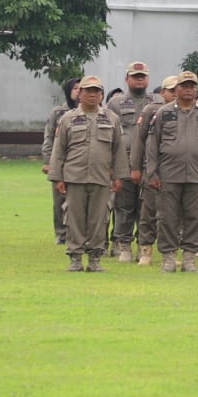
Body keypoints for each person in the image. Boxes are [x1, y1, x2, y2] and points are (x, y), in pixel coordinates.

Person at [49, 76, 126, 272]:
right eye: (87, 91)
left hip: (101, 178)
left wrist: (118, 176)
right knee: (74, 219)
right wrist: (58, 177)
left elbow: (118, 150)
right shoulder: (68, 119)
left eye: (96, 91)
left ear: (101, 95)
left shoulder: (111, 119)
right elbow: (59, 150)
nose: (92, 94)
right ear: (79, 94)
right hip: (74, 178)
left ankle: (94, 259)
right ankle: (75, 258)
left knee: (99, 219)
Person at [145, 70, 198, 273]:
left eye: (192, 86)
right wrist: (152, 173)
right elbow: (152, 145)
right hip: (168, 174)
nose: (188, 89)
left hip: (197, 174)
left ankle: (189, 257)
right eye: (184, 86)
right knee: (167, 217)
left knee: (195, 217)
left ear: (197, 89)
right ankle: (168, 257)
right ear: (176, 89)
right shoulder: (163, 113)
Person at [107, 61, 154, 261]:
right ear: (127, 79)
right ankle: (123, 245)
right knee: (124, 206)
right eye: (135, 76)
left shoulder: (156, 102)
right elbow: (109, 135)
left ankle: (143, 245)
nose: (139, 79)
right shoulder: (115, 103)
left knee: (147, 207)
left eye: (142, 76)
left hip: (148, 162)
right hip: (123, 161)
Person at [132, 76, 177, 265]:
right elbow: (139, 140)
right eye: (171, 90)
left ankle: (171, 253)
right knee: (148, 210)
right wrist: (135, 167)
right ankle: (145, 251)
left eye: (178, 90)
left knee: (173, 215)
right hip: (152, 168)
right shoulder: (152, 110)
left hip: (175, 171)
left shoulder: (188, 110)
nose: (175, 94)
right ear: (162, 93)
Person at [39, 77, 80, 245]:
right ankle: (61, 233)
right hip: (59, 161)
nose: (78, 91)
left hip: (79, 161)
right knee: (59, 200)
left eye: (81, 88)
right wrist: (48, 161)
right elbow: (48, 137)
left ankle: (77, 232)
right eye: (75, 88)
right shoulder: (58, 113)